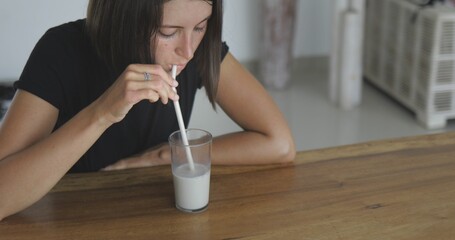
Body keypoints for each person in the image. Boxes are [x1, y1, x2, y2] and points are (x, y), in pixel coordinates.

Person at [0, 0, 295, 220]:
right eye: (169, 32)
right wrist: (103, 113)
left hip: (155, 218)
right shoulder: (61, 50)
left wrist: (161, 156)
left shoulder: (199, 51)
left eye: (201, 27)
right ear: (124, 19)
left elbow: (279, 144)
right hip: (71, 220)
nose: (189, 50)